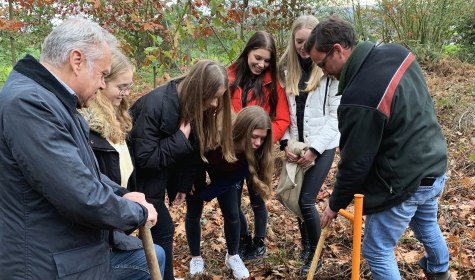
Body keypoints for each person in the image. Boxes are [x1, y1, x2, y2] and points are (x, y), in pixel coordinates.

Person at [0, 18, 158, 279]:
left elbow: (81, 171)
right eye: (102, 74)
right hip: (45, 266)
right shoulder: (30, 104)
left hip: (63, 257)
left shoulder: (51, 101)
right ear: (77, 61)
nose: (101, 84)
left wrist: (120, 193)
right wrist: (138, 213)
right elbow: (80, 195)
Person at [306, 16, 451, 280]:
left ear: (338, 50)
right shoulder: (399, 53)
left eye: (321, 63)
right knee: (427, 224)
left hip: (403, 182)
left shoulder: (359, 97)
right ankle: (440, 271)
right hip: (435, 165)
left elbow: (355, 163)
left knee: (377, 250)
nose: (323, 71)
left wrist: (334, 204)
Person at [129, 59, 235, 280]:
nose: (216, 104)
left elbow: (192, 150)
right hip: (135, 182)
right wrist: (179, 139)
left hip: (156, 181)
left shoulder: (194, 106)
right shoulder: (157, 104)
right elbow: (145, 157)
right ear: (199, 89)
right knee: (158, 231)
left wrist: (183, 184)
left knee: (162, 231)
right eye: (213, 96)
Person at [80, 48, 166, 279]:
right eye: (121, 87)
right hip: (100, 234)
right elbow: (91, 189)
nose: (126, 94)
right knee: (155, 255)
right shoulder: (89, 130)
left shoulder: (117, 123)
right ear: (101, 83)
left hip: (116, 226)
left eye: (129, 87)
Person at [277, 15, 340, 275]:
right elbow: (285, 112)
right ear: (293, 41)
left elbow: (336, 117)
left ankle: (314, 256)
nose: (304, 47)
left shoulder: (329, 69)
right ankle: (305, 245)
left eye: (309, 41)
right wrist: (285, 144)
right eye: (299, 41)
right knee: (294, 198)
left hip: (323, 145)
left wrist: (315, 148)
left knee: (305, 200)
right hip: (297, 145)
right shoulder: (286, 68)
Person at [185, 106, 274, 279]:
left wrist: (206, 194)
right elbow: (193, 150)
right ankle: (195, 257)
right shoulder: (217, 134)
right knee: (194, 210)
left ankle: (233, 255)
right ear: (242, 130)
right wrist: (187, 179)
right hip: (199, 163)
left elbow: (227, 181)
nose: (257, 143)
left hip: (227, 173)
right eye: (254, 136)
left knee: (233, 213)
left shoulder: (256, 153)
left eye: (262, 138)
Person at [228, 30, 290, 260]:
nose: (262, 64)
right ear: (247, 53)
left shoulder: (274, 84)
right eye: (258, 58)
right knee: (232, 202)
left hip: (259, 153)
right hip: (232, 152)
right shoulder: (229, 78)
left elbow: (282, 119)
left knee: (257, 198)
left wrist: (263, 142)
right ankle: (242, 237)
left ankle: (259, 240)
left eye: (267, 60)